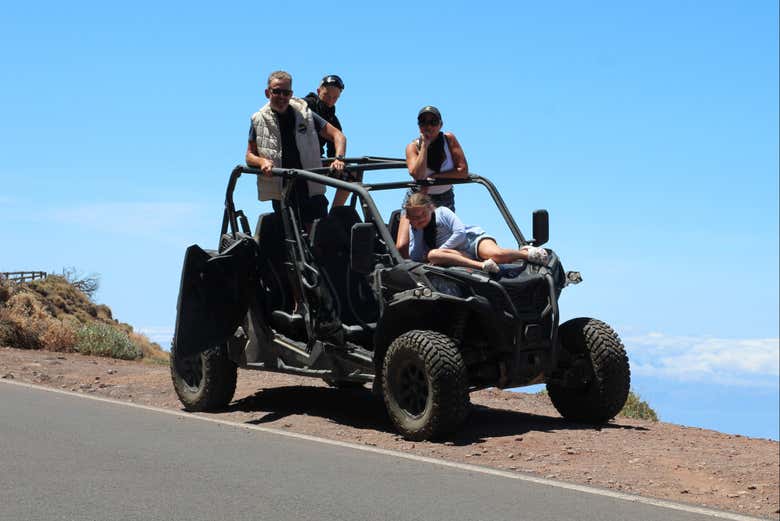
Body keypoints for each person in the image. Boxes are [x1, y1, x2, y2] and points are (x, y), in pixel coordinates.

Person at [246, 70, 347, 226]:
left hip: (311, 183)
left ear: (291, 94)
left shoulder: (305, 114)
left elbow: (338, 136)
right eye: (277, 92)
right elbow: (249, 156)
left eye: (285, 93)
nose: (281, 97)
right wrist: (262, 162)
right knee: (293, 237)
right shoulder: (259, 119)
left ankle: (337, 217)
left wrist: (339, 159)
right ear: (268, 92)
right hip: (284, 189)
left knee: (321, 234)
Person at [404, 193, 549, 273]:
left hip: (472, 241)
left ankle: (525, 253)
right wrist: (419, 230)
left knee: (496, 255)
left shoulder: (442, 212)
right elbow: (415, 256)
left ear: (430, 208)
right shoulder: (416, 229)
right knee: (432, 255)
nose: (419, 219)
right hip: (456, 255)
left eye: (422, 215)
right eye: (414, 217)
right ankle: (482, 266)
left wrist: (441, 250)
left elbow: (460, 233)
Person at [396, 105, 468, 257]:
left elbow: (462, 171)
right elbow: (418, 175)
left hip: (444, 198)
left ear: (440, 125)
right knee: (402, 247)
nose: (428, 126)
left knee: (441, 244)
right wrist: (425, 147)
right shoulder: (412, 147)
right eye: (423, 122)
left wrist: (436, 177)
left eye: (433, 122)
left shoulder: (449, 139)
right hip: (417, 198)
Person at [304, 74, 350, 208]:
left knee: (353, 174)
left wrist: (338, 159)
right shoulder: (303, 107)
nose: (330, 101)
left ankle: (335, 213)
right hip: (298, 163)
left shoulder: (333, 121)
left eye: (335, 98)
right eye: (327, 96)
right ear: (319, 91)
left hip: (317, 162)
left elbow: (334, 152)